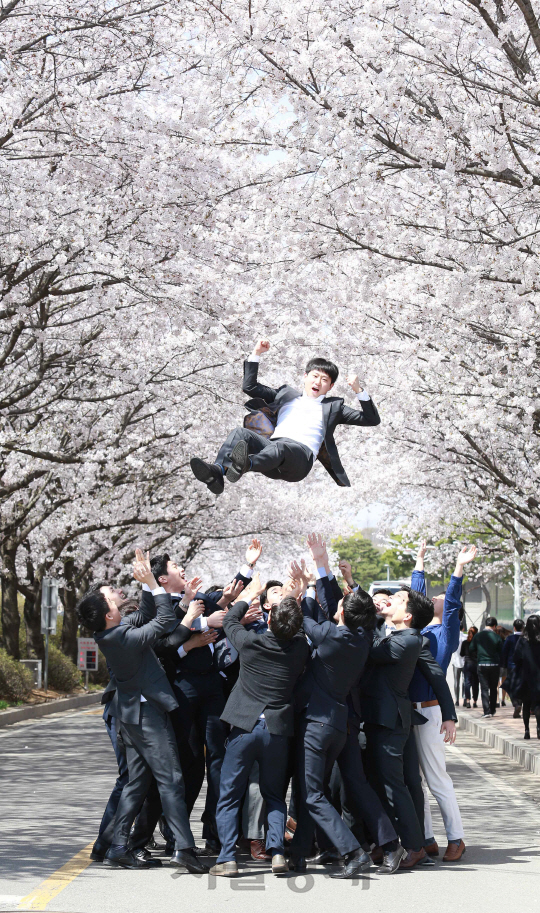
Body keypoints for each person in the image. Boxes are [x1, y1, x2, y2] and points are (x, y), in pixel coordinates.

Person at [76, 550, 207, 874]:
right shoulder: (121, 638)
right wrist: (152, 583)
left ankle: (119, 846)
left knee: (136, 782)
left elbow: (148, 614)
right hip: (147, 717)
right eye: (112, 604)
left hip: (131, 716)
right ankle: (185, 848)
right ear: (109, 616)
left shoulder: (112, 633)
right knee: (172, 779)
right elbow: (162, 622)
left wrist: (149, 585)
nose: (117, 604)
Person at [288, 558, 402, 878]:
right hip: (343, 720)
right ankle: (389, 844)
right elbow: (352, 608)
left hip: (321, 722)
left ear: (342, 612)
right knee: (353, 784)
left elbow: (307, 615)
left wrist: (308, 586)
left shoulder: (330, 635)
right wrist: (323, 569)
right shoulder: (364, 635)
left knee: (312, 792)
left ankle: (351, 850)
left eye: (340, 603)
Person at [189, 337, 380, 495]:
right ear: (305, 376)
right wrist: (256, 353)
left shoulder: (334, 408)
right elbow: (250, 387)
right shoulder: (285, 396)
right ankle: (217, 472)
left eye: (324, 380)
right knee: (241, 433)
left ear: (330, 387)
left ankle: (245, 464)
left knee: (281, 447)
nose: (318, 382)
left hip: (299, 460)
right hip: (270, 455)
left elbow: (371, 419)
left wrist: (358, 390)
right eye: (315, 376)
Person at [210, 580, 310, 877]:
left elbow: (229, 619)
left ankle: (228, 858)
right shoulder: (300, 648)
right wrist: (294, 598)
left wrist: (250, 595)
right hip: (277, 729)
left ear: (268, 618)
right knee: (275, 795)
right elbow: (298, 627)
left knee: (229, 794)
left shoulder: (251, 643)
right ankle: (277, 852)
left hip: (244, 725)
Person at [360, 584, 457, 871]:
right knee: (384, 783)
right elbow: (438, 678)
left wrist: (370, 616)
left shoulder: (408, 640)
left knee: (394, 785)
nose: (390, 600)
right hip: (383, 718)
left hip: (391, 720)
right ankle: (388, 842)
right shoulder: (400, 634)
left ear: (409, 617)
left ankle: (413, 847)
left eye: (398, 600)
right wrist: (449, 714)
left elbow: (372, 649)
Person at [409, 541, 475, 862]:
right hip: (409, 713)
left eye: (439, 598)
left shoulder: (447, 633)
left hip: (431, 712)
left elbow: (449, 601)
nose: (433, 598)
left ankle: (457, 838)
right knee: (415, 782)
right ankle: (425, 838)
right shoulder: (417, 628)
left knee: (436, 778)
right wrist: (419, 561)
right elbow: (416, 599)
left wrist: (458, 568)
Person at [512, 615, 540, 740]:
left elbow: (516, 658)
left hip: (525, 677)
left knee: (526, 704)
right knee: (538, 703)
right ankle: (539, 728)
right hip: (538, 677)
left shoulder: (522, 640)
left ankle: (527, 730)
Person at [470, 617, 503, 717]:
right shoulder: (497, 637)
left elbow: (471, 648)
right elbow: (501, 651)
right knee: (493, 688)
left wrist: (477, 657)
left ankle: (486, 711)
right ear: (494, 626)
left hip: (482, 664)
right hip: (494, 665)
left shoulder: (478, 636)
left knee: (484, 688)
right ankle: (492, 710)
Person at [501, 619, 524, 718]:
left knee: (511, 686)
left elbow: (504, 652)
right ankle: (520, 703)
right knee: (522, 686)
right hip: (523, 666)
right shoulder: (525, 639)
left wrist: (503, 665)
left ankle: (516, 703)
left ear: (514, 627)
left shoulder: (510, 639)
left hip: (511, 666)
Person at [461, 627, 479, 709]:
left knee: (467, 683)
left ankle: (467, 701)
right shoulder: (478, 643)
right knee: (476, 683)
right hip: (476, 664)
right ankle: (475, 701)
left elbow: (461, 653)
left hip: (467, 664)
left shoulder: (465, 643)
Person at [451, 619, 467, 706]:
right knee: (465, 681)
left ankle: (457, 700)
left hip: (455, 661)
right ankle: (464, 698)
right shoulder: (466, 637)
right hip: (464, 661)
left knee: (456, 681)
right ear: (463, 628)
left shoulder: (454, 637)